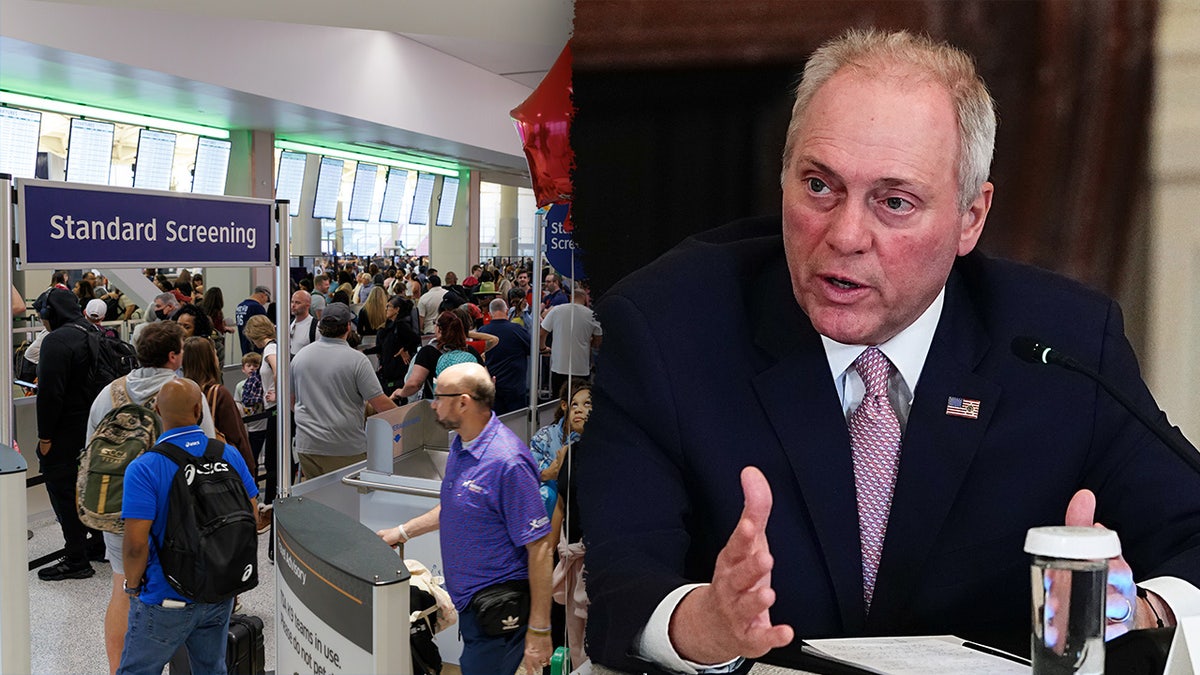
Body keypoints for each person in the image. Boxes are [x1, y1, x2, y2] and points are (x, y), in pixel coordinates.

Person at [576, 28, 1200, 672]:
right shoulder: (668, 326)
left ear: (970, 218)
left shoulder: (1060, 343)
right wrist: (704, 623)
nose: (845, 235)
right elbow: (618, 579)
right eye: (819, 186)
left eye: (894, 202)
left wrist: (1135, 609)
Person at [376, 363, 555, 675]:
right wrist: (402, 532)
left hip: (498, 609)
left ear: (463, 402)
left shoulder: (507, 462)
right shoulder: (461, 443)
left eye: (439, 396)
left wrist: (539, 630)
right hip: (471, 606)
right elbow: (456, 507)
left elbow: (539, 547)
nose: (432, 404)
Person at [87, 320, 217, 675]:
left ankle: (120, 669)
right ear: (174, 356)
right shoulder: (186, 392)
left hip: (118, 508)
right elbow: (204, 452)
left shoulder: (109, 393)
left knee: (122, 588)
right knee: (178, 588)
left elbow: (91, 451)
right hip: (174, 511)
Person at [115, 378, 257, 675]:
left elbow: (135, 543)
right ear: (198, 410)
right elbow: (252, 514)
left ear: (156, 409)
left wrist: (131, 586)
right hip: (220, 589)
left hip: (166, 595)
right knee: (211, 669)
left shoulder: (144, 468)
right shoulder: (226, 453)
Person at [34, 288, 107, 581]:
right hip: (96, 428)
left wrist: (44, 437)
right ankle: (99, 543)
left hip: (66, 432)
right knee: (90, 487)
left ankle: (76, 557)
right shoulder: (95, 333)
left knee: (63, 491)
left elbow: (49, 395)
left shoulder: (56, 341)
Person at [291, 302, 397, 479]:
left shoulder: (300, 356)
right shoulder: (357, 360)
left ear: (321, 326)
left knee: (316, 499)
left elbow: (292, 401)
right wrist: (407, 419)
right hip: (344, 446)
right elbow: (379, 403)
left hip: (307, 445)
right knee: (349, 502)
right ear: (348, 327)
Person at [548, 381, 593, 666]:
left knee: (594, 638)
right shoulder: (568, 453)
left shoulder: (614, 456)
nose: (578, 410)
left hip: (596, 559)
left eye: (587, 404)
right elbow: (561, 505)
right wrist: (549, 553)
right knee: (567, 637)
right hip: (568, 556)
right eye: (574, 404)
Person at [181, 336, 254, 472]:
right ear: (209, 359)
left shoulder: (180, 392)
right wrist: (250, 472)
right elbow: (237, 437)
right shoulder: (218, 393)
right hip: (220, 466)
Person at [243, 314, 284, 523]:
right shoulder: (276, 346)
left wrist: (278, 392)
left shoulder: (269, 349)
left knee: (272, 462)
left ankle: (270, 508)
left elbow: (278, 371)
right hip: (276, 408)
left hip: (275, 409)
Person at [539, 287, 603, 398]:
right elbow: (598, 341)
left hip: (559, 366)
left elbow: (542, 333)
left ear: (570, 297)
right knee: (579, 401)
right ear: (585, 299)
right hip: (581, 368)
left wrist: (543, 348)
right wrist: (589, 343)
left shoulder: (557, 310)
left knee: (558, 401)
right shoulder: (592, 315)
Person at [477, 298, 530, 415]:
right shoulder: (518, 330)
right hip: (515, 386)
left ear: (490, 313)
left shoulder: (482, 332)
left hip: (491, 386)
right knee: (517, 423)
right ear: (506, 311)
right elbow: (531, 349)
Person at [235, 285, 270, 355]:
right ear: (263, 295)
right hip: (255, 345)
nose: (265, 302)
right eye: (267, 299)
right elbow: (264, 328)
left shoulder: (240, 306)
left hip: (244, 344)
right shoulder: (257, 307)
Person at [288, 289, 316, 356]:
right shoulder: (289, 324)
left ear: (308, 305)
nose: (293, 305)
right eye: (292, 302)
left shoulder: (315, 326)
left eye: (298, 303)